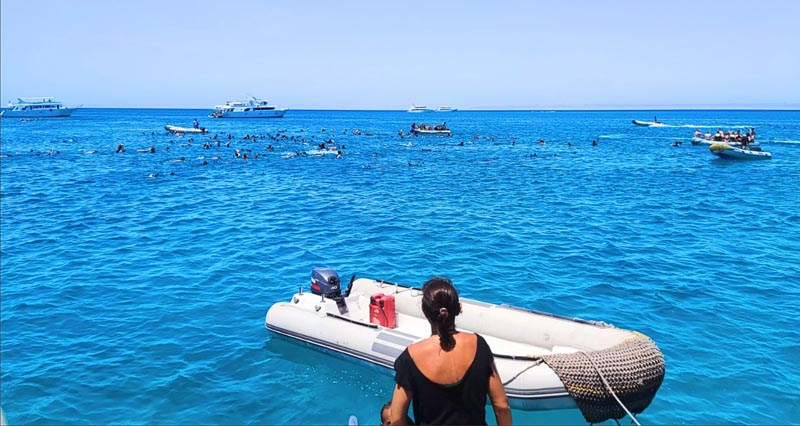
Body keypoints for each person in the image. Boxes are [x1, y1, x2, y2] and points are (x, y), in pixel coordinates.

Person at [387, 277, 511, 425]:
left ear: (425, 312)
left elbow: (396, 419)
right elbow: (501, 406)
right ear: (459, 308)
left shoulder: (410, 357)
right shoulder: (479, 345)